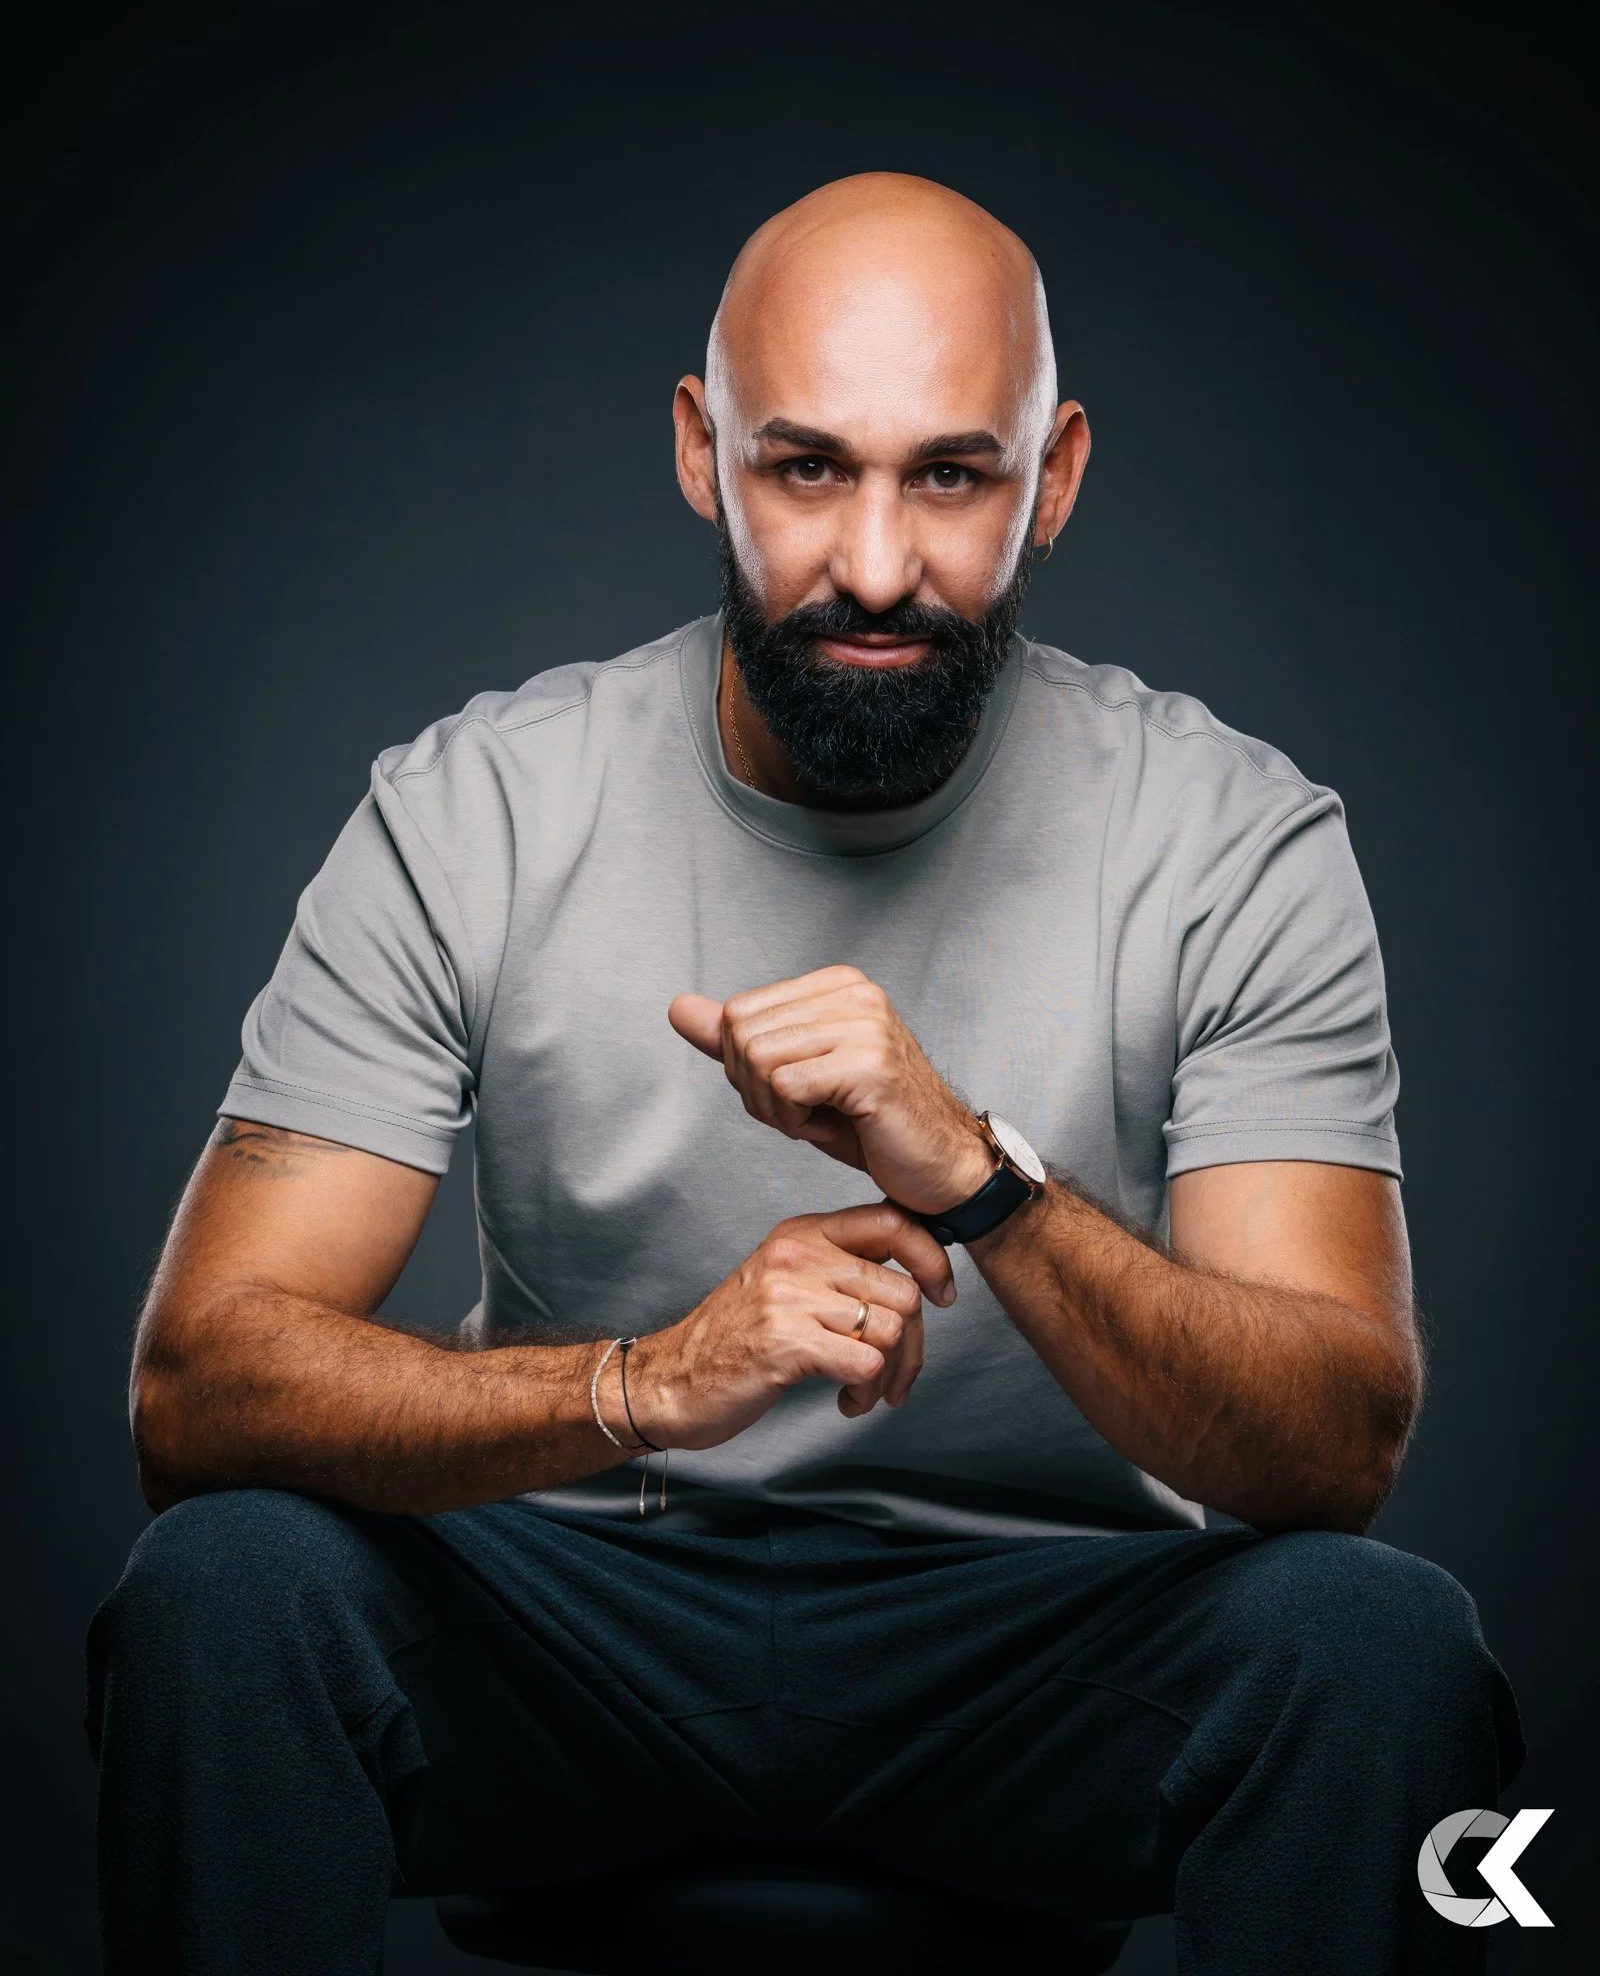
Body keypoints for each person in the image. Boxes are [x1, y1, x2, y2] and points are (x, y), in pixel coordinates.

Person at [89, 173, 1523, 1974]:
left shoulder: (1237, 841)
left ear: (1054, 477)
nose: (870, 564)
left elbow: (1338, 1447)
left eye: (951, 475)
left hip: (1039, 1653)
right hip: (578, 1627)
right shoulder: (475, 811)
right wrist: (637, 1384)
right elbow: (198, 1386)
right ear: (702, 453)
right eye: (805, 467)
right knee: (226, 1592)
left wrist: (980, 1184)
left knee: (1386, 1646)